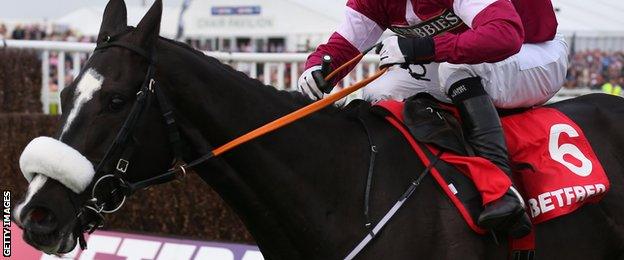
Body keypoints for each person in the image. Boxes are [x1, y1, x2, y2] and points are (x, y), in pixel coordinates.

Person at [298, 0, 569, 238]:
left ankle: (501, 190)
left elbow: (505, 35)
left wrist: (423, 47)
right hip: (477, 55)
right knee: (378, 92)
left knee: (457, 69)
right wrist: (317, 68)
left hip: (534, 51)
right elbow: (343, 45)